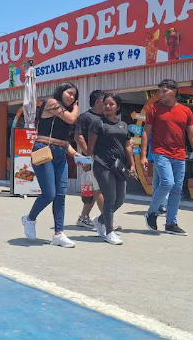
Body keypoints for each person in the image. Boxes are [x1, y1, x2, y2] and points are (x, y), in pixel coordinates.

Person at [21, 82, 81, 248]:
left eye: (74, 95)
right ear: (61, 92)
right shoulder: (51, 103)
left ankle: (58, 233)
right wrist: (76, 106)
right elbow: (72, 118)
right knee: (49, 194)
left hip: (60, 152)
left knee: (61, 194)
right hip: (43, 150)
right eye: (69, 93)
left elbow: (62, 140)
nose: (72, 97)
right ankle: (29, 218)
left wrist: (75, 153)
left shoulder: (64, 112)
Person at [141, 79, 193, 236]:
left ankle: (171, 223)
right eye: (159, 91)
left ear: (174, 91)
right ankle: (152, 212)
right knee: (168, 182)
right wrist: (143, 155)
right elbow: (145, 132)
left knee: (177, 189)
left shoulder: (185, 111)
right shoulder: (154, 109)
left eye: (164, 91)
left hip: (180, 154)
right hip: (160, 152)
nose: (160, 94)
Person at [87, 93, 135, 245]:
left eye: (111, 104)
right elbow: (91, 146)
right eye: (105, 104)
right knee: (110, 198)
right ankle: (109, 232)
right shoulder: (97, 123)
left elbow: (128, 146)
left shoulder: (123, 125)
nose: (107, 106)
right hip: (103, 165)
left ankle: (100, 220)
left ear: (118, 107)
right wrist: (89, 161)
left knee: (120, 199)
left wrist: (132, 164)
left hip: (119, 166)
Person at [73, 90, 107, 229]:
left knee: (94, 190)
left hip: (105, 159)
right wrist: (89, 156)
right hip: (93, 160)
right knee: (99, 190)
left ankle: (84, 217)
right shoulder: (85, 117)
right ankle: (107, 221)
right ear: (98, 102)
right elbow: (78, 137)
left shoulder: (105, 118)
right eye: (106, 102)